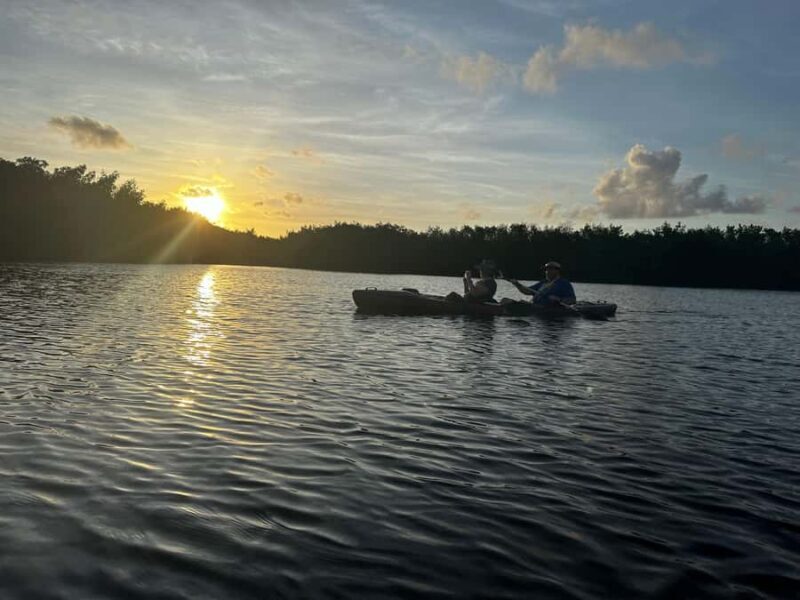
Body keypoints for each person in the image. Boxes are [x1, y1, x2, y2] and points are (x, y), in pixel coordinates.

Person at [507, 261, 576, 306]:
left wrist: (559, 299)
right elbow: (527, 291)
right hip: (535, 306)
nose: (547, 271)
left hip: (550, 309)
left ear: (557, 271)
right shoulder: (543, 282)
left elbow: (572, 299)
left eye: (550, 269)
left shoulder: (564, 283)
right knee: (505, 300)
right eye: (546, 269)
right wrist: (517, 284)